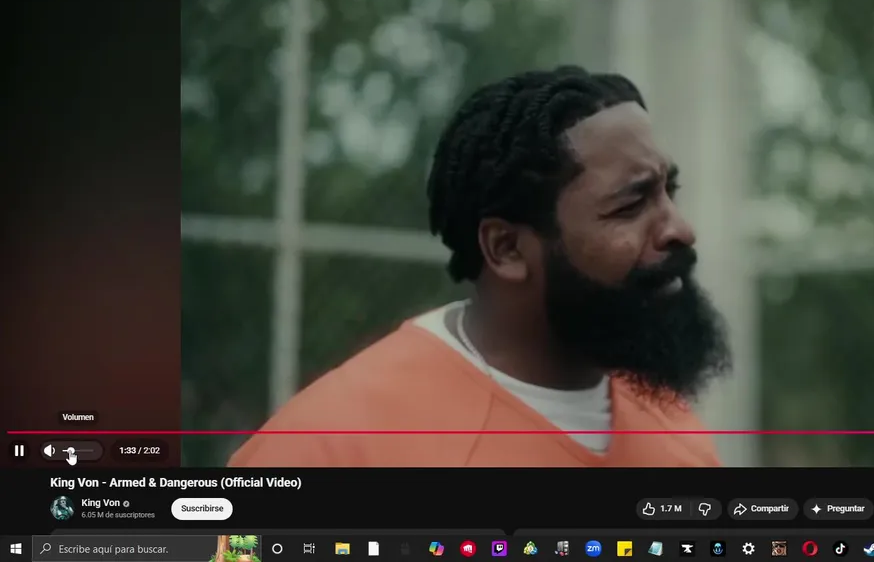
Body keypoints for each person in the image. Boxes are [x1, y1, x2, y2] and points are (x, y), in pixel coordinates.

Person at [230, 67, 731, 467]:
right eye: (631, 205)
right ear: (506, 248)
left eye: (669, 191)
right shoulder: (332, 445)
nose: (680, 229)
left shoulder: (674, 432)